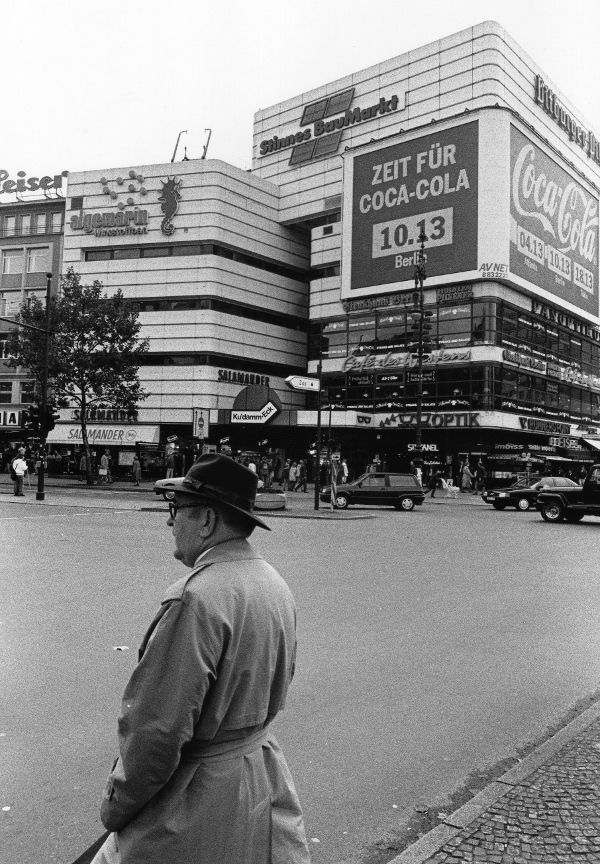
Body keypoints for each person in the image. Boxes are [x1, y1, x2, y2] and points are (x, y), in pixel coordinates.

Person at [91, 454, 310, 864]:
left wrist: (115, 806)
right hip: (259, 781)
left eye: (176, 509)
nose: (169, 522)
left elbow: (156, 732)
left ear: (207, 520)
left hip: (196, 797)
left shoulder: (195, 598)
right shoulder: (272, 582)